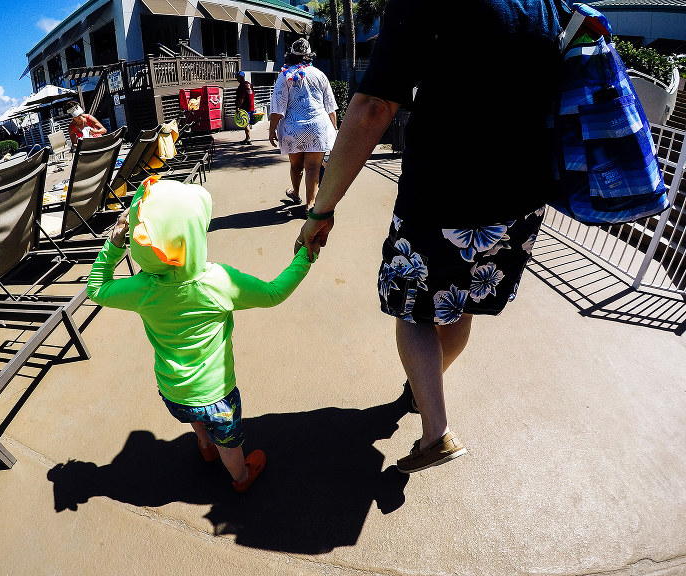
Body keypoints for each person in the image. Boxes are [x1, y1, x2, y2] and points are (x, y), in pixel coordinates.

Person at [298, 0, 563, 473]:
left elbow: (374, 107)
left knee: (415, 310)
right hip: (520, 200)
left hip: (443, 194)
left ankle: (436, 431)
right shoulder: (547, 3)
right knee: (458, 304)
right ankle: (423, 391)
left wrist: (323, 207)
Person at [87, 176, 317, 492]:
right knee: (231, 447)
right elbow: (274, 292)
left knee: (198, 422)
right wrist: (304, 258)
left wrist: (114, 241)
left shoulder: (141, 288)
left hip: (172, 391)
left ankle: (205, 447)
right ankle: (240, 478)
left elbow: (96, 288)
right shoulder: (218, 282)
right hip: (217, 394)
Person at [269, 38, 338, 210]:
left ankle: (295, 193)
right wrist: (334, 129)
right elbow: (330, 107)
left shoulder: (285, 76)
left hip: (293, 128)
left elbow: (278, 107)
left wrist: (271, 131)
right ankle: (310, 205)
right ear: (310, 56)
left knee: (296, 165)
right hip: (318, 127)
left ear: (291, 56)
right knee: (313, 168)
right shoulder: (320, 75)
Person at [234, 71, 254, 145]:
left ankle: (248, 139)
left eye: (237, 77)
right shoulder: (249, 84)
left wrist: (237, 107)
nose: (236, 79)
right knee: (247, 124)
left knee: (245, 123)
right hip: (250, 106)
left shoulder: (242, 86)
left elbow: (241, 98)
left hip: (245, 108)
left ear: (241, 77)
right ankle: (247, 138)